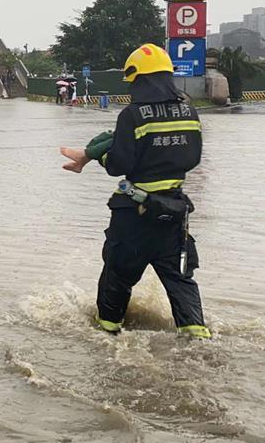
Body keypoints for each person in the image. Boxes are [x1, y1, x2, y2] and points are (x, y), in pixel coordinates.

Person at [60, 44, 210, 339]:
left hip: (135, 215)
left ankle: (107, 334)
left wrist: (100, 156)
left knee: (117, 277)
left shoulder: (133, 115)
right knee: (181, 282)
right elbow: (193, 158)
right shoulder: (189, 111)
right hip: (174, 212)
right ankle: (199, 341)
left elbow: (118, 165)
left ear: (139, 80)